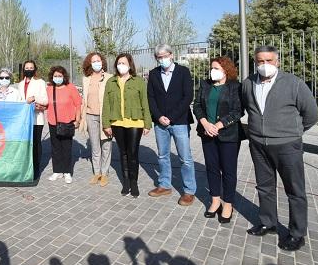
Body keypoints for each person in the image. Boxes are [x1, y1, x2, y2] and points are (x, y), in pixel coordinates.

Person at [242, 45, 318, 252]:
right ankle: (268, 222)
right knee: (264, 187)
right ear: (255, 62)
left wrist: (292, 133)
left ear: (277, 62)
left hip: (287, 146)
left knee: (295, 190)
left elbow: (312, 115)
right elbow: (247, 108)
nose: (264, 65)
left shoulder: (294, 84)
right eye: (260, 61)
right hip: (258, 144)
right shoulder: (248, 83)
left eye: (269, 61)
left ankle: (297, 233)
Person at [193, 56, 243, 223]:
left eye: (216, 68)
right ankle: (215, 201)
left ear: (226, 70)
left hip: (228, 135)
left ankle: (228, 203)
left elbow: (238, 111)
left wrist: (219, 125)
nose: (212, 71)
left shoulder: (235, 87)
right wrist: (205, 123)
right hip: (207, 133)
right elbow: (198, 105)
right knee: (212, 168)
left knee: (228, 171)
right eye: (211, 68)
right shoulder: (205, 84)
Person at [147, 43, 197, 206]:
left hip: (179, 121)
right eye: (159, 57)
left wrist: (172, 117)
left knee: (185, 158)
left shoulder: (183, 72)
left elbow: (187, 96)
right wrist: (159, 116)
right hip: (160, 123)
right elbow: (151, 98)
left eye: (165, 56)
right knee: (162, 156)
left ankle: (189, 191)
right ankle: (164, 185)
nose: (162, 59)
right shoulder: (153, 74)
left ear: (171, 55)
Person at [101, 53, 151, 197]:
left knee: (133, 153)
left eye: (123, 63)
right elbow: (106, 105)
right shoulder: (111, 81)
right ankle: (126, 182)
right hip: (117, 122)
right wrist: (106, 124)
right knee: (122, 153)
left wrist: (147, 124)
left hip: (135, 122)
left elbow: (145, 103)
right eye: (119, 63)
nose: (120, 65)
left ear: (130, 65)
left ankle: (134, 182)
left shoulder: (138, 81)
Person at [79, 52, 113, 187]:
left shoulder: (109, 78)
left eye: (98, 60)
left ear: (102, 62)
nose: (96, 63)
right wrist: (81, 117)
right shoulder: (86, 79)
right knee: (95, 146)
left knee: (106, 145)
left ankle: (105, 173)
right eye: (93, 61)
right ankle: (97, 172)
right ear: (89, 63)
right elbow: (84, 99)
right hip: (90, 116)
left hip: (105, 116)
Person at [46, 65, 82, 184]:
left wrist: (77, 120)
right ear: (52, 77)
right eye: (55, 76)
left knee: (66, 148)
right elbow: (46, 104)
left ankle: (67, 171)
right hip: (53, 122)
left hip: (67, 123)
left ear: (64, 76)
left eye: (60, 76)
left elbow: (78, 104)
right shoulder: (49, 88)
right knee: (55, 148)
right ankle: (57, 171)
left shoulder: (70, 87)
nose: (57, 78)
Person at [18, 60, 48, 179]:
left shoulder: (40, 82)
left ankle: (36, 169)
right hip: (24, 120)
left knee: (36, 144)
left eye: (31, 68)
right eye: (27, 68)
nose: (29, 69)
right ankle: (26, 168)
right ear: (23, 69)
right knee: (25, 144)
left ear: (34, 69)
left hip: (36, 119)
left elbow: (45, 100)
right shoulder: (20, 84)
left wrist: (35, 98)